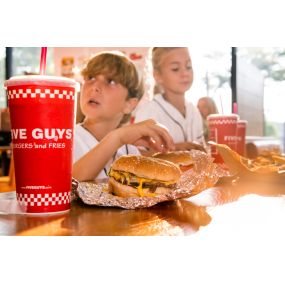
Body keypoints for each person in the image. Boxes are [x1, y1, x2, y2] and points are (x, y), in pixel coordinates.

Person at [72, 51, 175, 182]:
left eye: (110, 81)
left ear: (129, 105)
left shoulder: (129, 150)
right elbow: (67, 183)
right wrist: (117, 138)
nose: (95, 87)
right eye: (90, 78)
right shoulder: (65, 138)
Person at [134, 47, 205, 153]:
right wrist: (173, 150)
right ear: (157, 75)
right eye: (175, 69)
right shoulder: (148, 111)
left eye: (188, 66)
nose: (185, 73)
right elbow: (135, 155)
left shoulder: (194, 111)